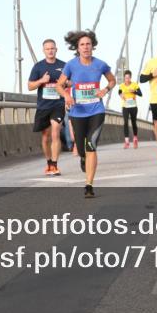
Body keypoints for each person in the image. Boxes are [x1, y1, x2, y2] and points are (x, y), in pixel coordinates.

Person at [56, 30, 116, 198]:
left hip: (96, 110)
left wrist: (105, 89)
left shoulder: (100, 64)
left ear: (93, 46)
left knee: (91, 145)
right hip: (77, 112)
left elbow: (112, 80)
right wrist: (67, 95)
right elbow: (59, 86)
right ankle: (83, 157)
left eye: (88, 44)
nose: (85, 47)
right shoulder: (71, 65)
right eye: (82, 44)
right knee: (82, 148)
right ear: (78, 48)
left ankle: (89, 185)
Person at [28, 39, 66, 176]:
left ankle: (55, 165)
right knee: (45, 137)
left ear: (56, 49)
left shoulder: (63, 66)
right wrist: (41, 81)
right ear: (44, 51)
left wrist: (65, 83)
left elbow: (72, 82)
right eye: (47, 49)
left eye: (52, 48)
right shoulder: (38, 67)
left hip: (58, 104)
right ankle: (49, 163)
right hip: (43, 106)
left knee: (55, 132)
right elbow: (30, 86)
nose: (50, 51)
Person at [118, 70, 142, 148]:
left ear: (130, 78)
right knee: (125, 122)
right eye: (125, 78)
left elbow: (140, 94)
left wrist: (134, 91)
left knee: (133, 122)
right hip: (125, 106)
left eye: (128, 78)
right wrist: (121, 95)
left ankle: (135, 139)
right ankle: (127, 141)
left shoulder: (134, 85)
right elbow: (119, 92)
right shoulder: (121, 85)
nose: (127, 79)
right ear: (124, 78)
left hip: (133, 107)